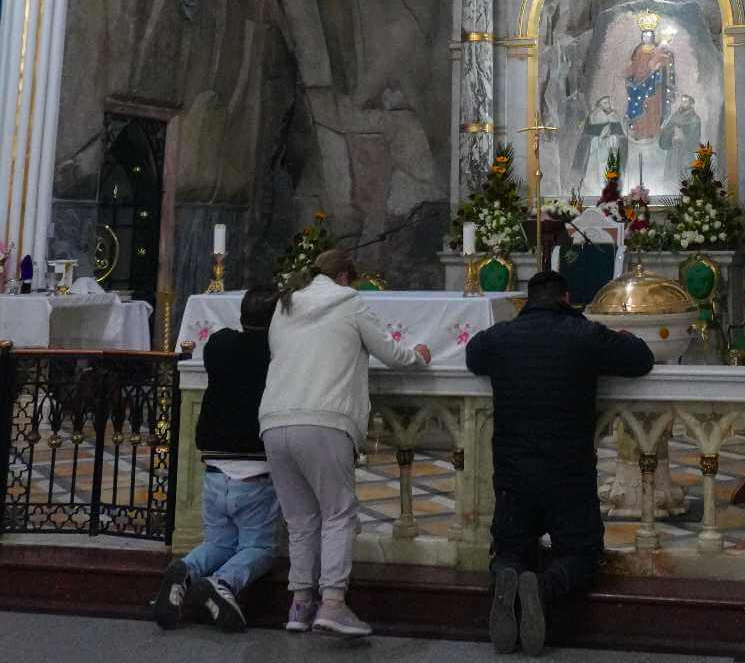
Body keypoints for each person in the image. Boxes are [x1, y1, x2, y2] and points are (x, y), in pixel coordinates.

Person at [465, 269, 654, 656]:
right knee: (583, 552)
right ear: (567, 299)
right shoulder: (584, 335)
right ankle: (545, 587)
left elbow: (473, 354)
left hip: (514, 476)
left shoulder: (502, 337)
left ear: (527, 301)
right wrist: (626, 338)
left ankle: (508, 578)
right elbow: (640, 360)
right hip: (568, 475)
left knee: (509, 549)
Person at [259, 246, 431, 638]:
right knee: (337, 513)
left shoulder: (284, 305)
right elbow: (392, 354)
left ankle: (300, 604)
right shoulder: (349, 301)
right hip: (325, 419)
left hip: (273, 420)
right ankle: (333, 604)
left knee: (301, 519)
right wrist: (418, 355)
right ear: (344, 278)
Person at [153, 286, 281, 632]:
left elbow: (228, 339)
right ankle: (221, 583)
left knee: (218, 542)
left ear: (242, 315)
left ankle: (186, 570)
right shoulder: (279, 351)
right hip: (256, 471)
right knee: (260, 546)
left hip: (214, 468)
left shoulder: (220, 345)